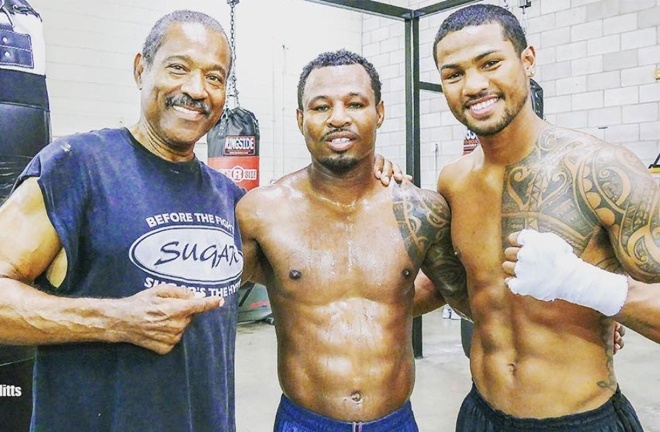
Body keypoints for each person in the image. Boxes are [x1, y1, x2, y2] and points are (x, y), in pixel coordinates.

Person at [0, 10, 240, 431]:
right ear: (140, 70)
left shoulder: (228, 197)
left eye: (215, 77)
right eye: (178, 68)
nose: (196, 89)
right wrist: (118, 320)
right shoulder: (76, 167)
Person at [424, 4, 659, 431]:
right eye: (454, 74)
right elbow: (466, 292)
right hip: (481, 414)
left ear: (527, 60)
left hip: (580, 418)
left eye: (490, 63)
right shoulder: (453, 181)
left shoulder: (602, 170)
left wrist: (590, 288)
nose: (474, 85)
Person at [237, 49, 470, 432]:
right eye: (321, 107)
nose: (339, 118)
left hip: (394, 421)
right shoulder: (261, 211)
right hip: (303, 421)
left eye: (355, 104)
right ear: (301, 119)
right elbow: (212, 301)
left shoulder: (420, 210)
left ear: (379, 112)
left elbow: (460, 295)